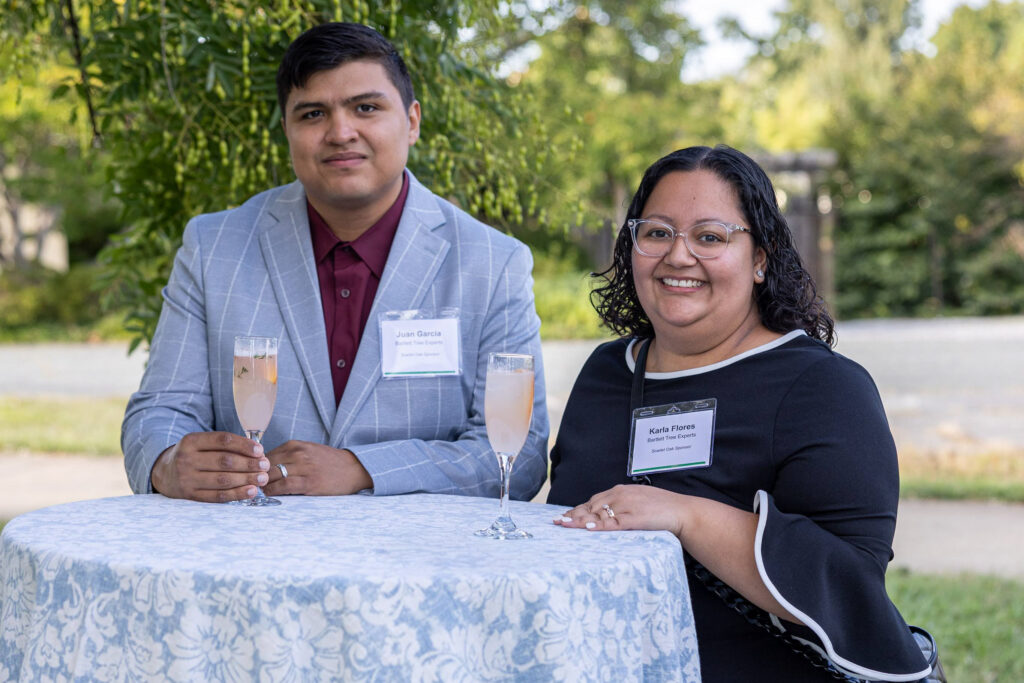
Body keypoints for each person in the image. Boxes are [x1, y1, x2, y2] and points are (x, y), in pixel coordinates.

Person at [547, 145, 932, 681]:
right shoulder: (607, 372)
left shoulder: (823, 389)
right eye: (657, 232)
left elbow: (851, 589)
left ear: (760, 258)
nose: (678, 256)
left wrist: (688, 517)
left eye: (710, 237)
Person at [122, 22, 548, 504]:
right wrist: (167, 462)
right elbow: (159, 412)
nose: (341, 132)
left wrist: (362, 469)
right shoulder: (214, 246)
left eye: (366, 107)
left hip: (419, 564)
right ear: (286, 129)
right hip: (252, 558)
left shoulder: (493, 262)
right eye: (312, 114)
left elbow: (522, 454)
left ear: (411, 121)